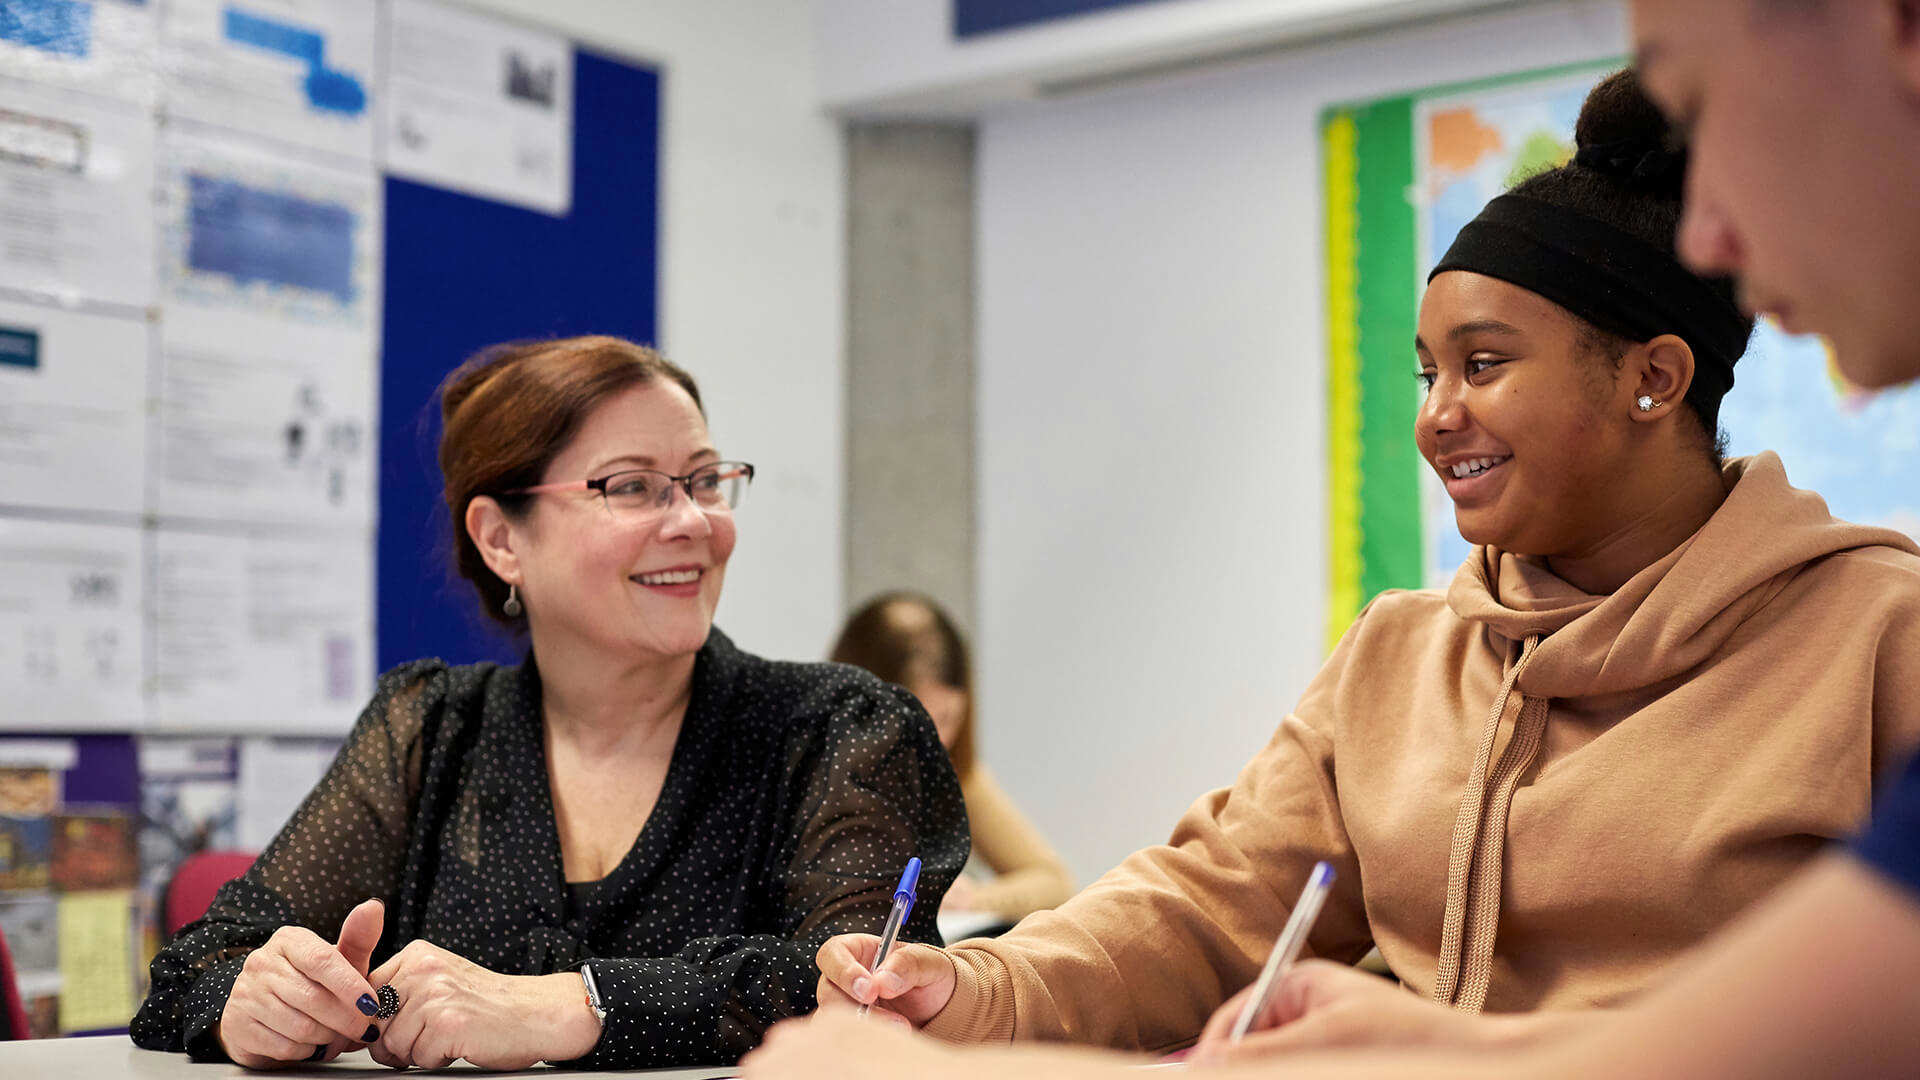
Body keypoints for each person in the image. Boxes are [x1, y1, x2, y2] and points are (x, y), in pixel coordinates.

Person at [741, 4, 1920, 1077]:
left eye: (1486, 364)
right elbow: (1206, 908)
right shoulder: (1401, 655)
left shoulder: (1876, 635)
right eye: (1427, 372)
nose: (1437, 414)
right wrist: (980, 985)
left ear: (1654, 380)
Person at [129, 335, 968, 1070]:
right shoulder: (428, 726)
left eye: (706, 480)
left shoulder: (840, 729)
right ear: (500, 539)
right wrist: (259, 1000)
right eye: (634, 487)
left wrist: (574, 1005)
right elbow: (197, 967)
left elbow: (865, 986)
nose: (694, 522)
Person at [831, 593, 1074, 926]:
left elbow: (1053, 882)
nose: (935, 741)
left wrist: (970, 898)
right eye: (915, 720)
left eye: (947, 718)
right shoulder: (801, 775)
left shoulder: (958, 773)